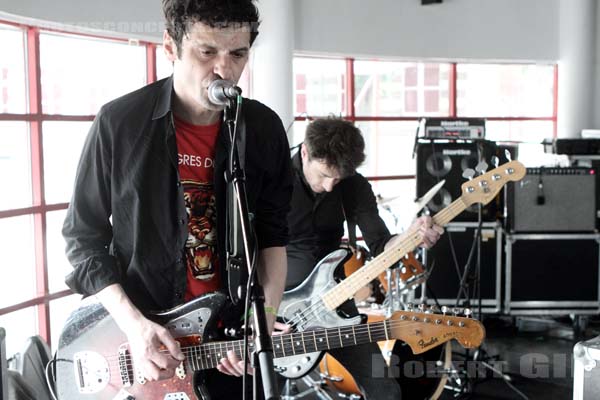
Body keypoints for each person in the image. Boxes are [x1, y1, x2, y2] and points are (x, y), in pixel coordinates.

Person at [62, 0, 292, 397]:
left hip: (227, 345)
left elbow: (273, 238)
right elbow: (83, 241)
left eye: (238, 54)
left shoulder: (263, 129)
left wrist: (264, 318)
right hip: (145, 345)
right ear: (170, 47)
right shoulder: (119, 123)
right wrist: (134, 326)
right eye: (206, 52)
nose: (224, 69)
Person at [284, 117, 444, 399]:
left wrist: (411, 236)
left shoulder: (354, 186)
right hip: (277, 310)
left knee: (385, 391)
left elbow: (381, 243)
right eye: (324, 175)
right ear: (305, 153)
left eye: (339, 178)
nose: (332, 185)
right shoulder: (272, 179)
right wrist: (264, 312)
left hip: (333, 303)